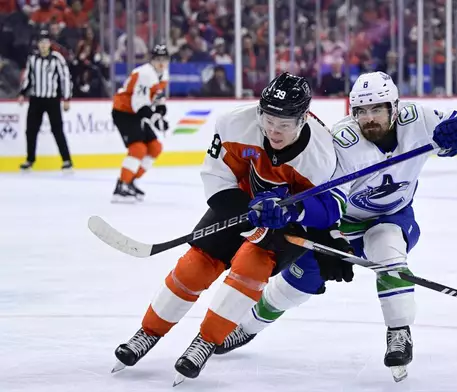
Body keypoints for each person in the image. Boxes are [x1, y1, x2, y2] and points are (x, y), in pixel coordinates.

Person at [216, 71, 457, 382]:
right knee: (302, 280)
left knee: (388, 248)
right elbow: (327, 202)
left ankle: (399, 331)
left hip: (392, 215)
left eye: (377, 109)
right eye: (361, 111)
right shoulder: (342, 142)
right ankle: (249, 326)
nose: (369, 119)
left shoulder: (419, 119)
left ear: (395, 107)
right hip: (341, 222)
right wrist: (306, 219)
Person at [110, 73, 344, 384]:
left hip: (287, 220)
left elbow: (329, 208)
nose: (274, 130)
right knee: (196, 264)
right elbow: (216, 180)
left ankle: (206, 341)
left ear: (303, 119)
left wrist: (294, 210)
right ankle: (148, 332)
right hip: (240, 204)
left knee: (251, 265)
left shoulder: (322, 152)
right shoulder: (235, 124)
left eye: (285, 124)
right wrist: (247, 210)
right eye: (268, 119)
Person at [111, 44, 170, 202]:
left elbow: (157, 97)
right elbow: (138, 103)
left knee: (155, 147)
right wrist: (155, 119)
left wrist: (161, 113)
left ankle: (130, 181)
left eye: (164, 59)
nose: (161, 63)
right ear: (152, 60)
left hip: (136, 113)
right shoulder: (145, 74)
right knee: (138, 149)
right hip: (124, 112)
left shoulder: (163, 75)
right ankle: (121, 186)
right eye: (158, 59)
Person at [18, 29, 73, 171]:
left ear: (50, 44)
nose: (43, 45)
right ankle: (30, 159)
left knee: (57, 130)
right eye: (41, 42)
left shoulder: (57, 59)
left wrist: (66, 98)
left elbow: (65, 78)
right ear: (37, 44)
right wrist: (22, 93)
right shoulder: (33, 58)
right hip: (36, 99)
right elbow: (28, 78)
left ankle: (66, 160)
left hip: (52, 99)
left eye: (45, 42)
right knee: (31, 130)